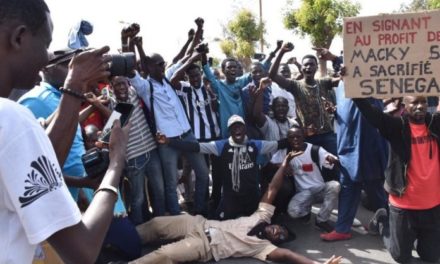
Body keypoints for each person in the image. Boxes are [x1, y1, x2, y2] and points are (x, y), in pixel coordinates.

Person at [0, 1, 129, 264]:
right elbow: (82, 251)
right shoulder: (12, 119)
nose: (48, 58)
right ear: (19, 37)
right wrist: (116, 162)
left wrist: (73, 88)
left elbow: (32, 171)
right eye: (46, 44)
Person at [129, 149, 342, 264]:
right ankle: (122, 238)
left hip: (205, 246)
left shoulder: (262, 248)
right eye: (282, 229)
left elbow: (288, 256)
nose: (279, 231)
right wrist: (283, 166)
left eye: (280, 236)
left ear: (276, 241)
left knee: (164, 256)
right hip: (197, 223)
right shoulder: (262, 216)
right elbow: (272, 190)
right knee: (156, 224)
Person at [354, 96, 440, 263]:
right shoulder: (396, 127)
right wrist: (355, 91)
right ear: (404, 105)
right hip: (404, 206)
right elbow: (372, 114)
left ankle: (414, 237)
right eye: (414, 102)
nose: (420, 106)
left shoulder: (435, 124)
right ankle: (381, 221)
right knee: (401, 256)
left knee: (431, 257)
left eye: (423, 102)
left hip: (433, 205)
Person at [157, 113, 289, 220]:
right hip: (231, 198)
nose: (237, 129)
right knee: (218, 225)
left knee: (259, 225)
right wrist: (169, 141)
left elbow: (278, 144)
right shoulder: (221, 146)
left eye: (240, 126)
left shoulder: (255, 145)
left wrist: (300, 137)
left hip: (251, 197)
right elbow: (195, 147)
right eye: (233, 127)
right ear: (230, 131)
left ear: (244, 129)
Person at [128, 52, 210, 216]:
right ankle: (175, 214)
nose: (163, 67)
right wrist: (132, 43)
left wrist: (194, 52)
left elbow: (181, 62)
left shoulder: (167, 78)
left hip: (187, 136)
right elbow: (131, 70)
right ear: (149, 67)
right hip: (167, 142)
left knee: (203, 174)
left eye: (163, 63)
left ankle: (200, 210)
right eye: (159, 64)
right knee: (171, 182)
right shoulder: (145, 87)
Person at [321, 82, 388, 241]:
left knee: (375, 189)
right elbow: (349, 111)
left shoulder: (368, 81)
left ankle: (389, 224)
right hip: (348, 146)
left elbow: (371, 111)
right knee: (348, 187)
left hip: (369, 146)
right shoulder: (341, 85)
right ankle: (343, 228)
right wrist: (336, 111)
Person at [269, 42, 340, 182]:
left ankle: (336, 195)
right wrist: (282, 52)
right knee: (310, 170)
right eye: (305, 65)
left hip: (327, 134)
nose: (308, 67)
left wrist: (335, 60)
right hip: (308, 136)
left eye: (311, 64)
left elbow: (343, 79)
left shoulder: (323, 82)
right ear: (301, 68)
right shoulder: (295, 85)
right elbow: (272, 75)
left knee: (334, 165)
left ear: (316, 67)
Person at [111, 75, 165, 222]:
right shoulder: (112, 105)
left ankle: (161, 224)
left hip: (151, 150)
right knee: (138, 198)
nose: (122, 87)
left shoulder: (134, 93)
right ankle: (140, 230)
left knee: (159, 190)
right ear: (112, 87)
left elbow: (137, 76)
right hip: (134, 156)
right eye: (117, 85)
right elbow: (113, 128)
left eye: (123, 83)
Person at [282, 126, 340, 233]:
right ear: (288, 139)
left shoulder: (314, 149)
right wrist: (284, 165)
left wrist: (333, 160)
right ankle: (306, 211)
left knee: (335, 186)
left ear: (303, 137)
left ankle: (321, 220)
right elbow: (271, 164)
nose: (295, 139)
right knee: (293, 212)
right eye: (292, 137)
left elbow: (331, 158)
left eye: (298, 137)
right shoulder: (286, 153)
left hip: (320, 189)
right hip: (304, 193)